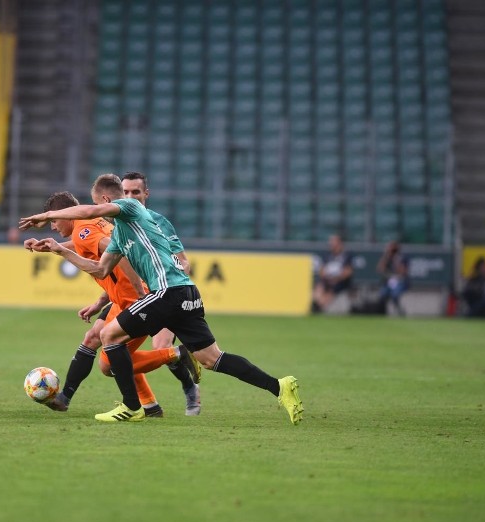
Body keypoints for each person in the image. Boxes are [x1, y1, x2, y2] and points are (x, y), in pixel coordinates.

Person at [20, 173, 302, 425]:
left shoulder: (130, 208)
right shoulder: (121, 234)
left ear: (108, 201)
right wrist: (60, 250)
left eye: (101, 208)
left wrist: (44, 217)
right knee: (212, 359)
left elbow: (91, 210)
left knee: (108, 335)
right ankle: (280, 387)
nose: (99, 217)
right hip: (186, 293)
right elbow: (100, 268)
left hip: (167, 293)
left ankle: (133, 406)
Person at [29, 191, 202, 417]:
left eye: (54, 220)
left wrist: (140, 291)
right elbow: (88, 245)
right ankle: (145, 405)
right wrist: (55, 247)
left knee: (111, 363)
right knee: (93, 338)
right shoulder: (91, 224)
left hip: (133, 299)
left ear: (67, 215)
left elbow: (117, 251)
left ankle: (177, 354)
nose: (52, 226)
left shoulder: (84, 231)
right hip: (120, 298)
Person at [120, 171, 202, 402]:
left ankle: (188, 389)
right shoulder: (120, 223)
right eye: (125, 192)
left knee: (161, 345)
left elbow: (184, 261)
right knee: (118, 349)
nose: (130, 196)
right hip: (140, 298)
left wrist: (170, 279)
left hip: (165, 294)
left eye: (135, 192)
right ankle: (147, 401)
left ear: (146, 193)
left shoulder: (158, 221)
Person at [311, 234, 354, 313]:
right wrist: (327, 278)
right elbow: (322, 271)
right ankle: (318, 305)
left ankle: (321, 307)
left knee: (331, 292)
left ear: (340, 243)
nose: (331, 244)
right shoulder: (327, 255)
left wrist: (336, 278)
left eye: (334, 242)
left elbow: (348, 272)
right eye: (331, 242)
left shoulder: (347, 256)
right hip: (327, 281)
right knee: (318, 289)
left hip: (340, 283)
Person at [376, 240, 410, 316]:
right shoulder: (387, 257)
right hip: (388, 281)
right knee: (382, 294)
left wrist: (395, 259)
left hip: (400, 281)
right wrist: (386, 256)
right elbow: (379, 269)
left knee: (395, 295)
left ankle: (399, 311)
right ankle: (383, 312)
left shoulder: (402, 257)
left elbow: (403, 271)